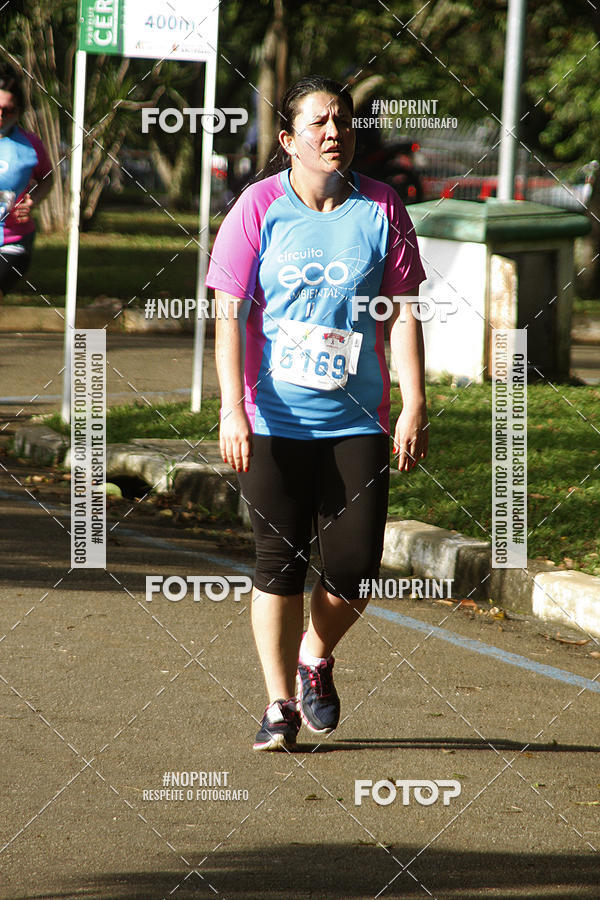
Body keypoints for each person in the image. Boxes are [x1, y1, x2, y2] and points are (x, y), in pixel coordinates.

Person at [206, 75, 429, 751]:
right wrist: (231, 409)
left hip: (356, 420)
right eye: (320, 123)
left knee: (355, 567)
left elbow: (405, 310)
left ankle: (316, 653)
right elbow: (227, 311)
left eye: (343, 122)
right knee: (278, 563)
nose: (335, 133)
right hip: (271, 420)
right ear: (288, 140)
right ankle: (278, 703)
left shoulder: (382, 207)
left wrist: (415, 400)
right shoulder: (257, 208)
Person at [0, 67, 53, 299]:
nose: (0, 114)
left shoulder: (29, 145)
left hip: (12, 240)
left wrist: (34, 201)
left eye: (7, 109)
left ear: (18, 111)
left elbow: (47, 178)